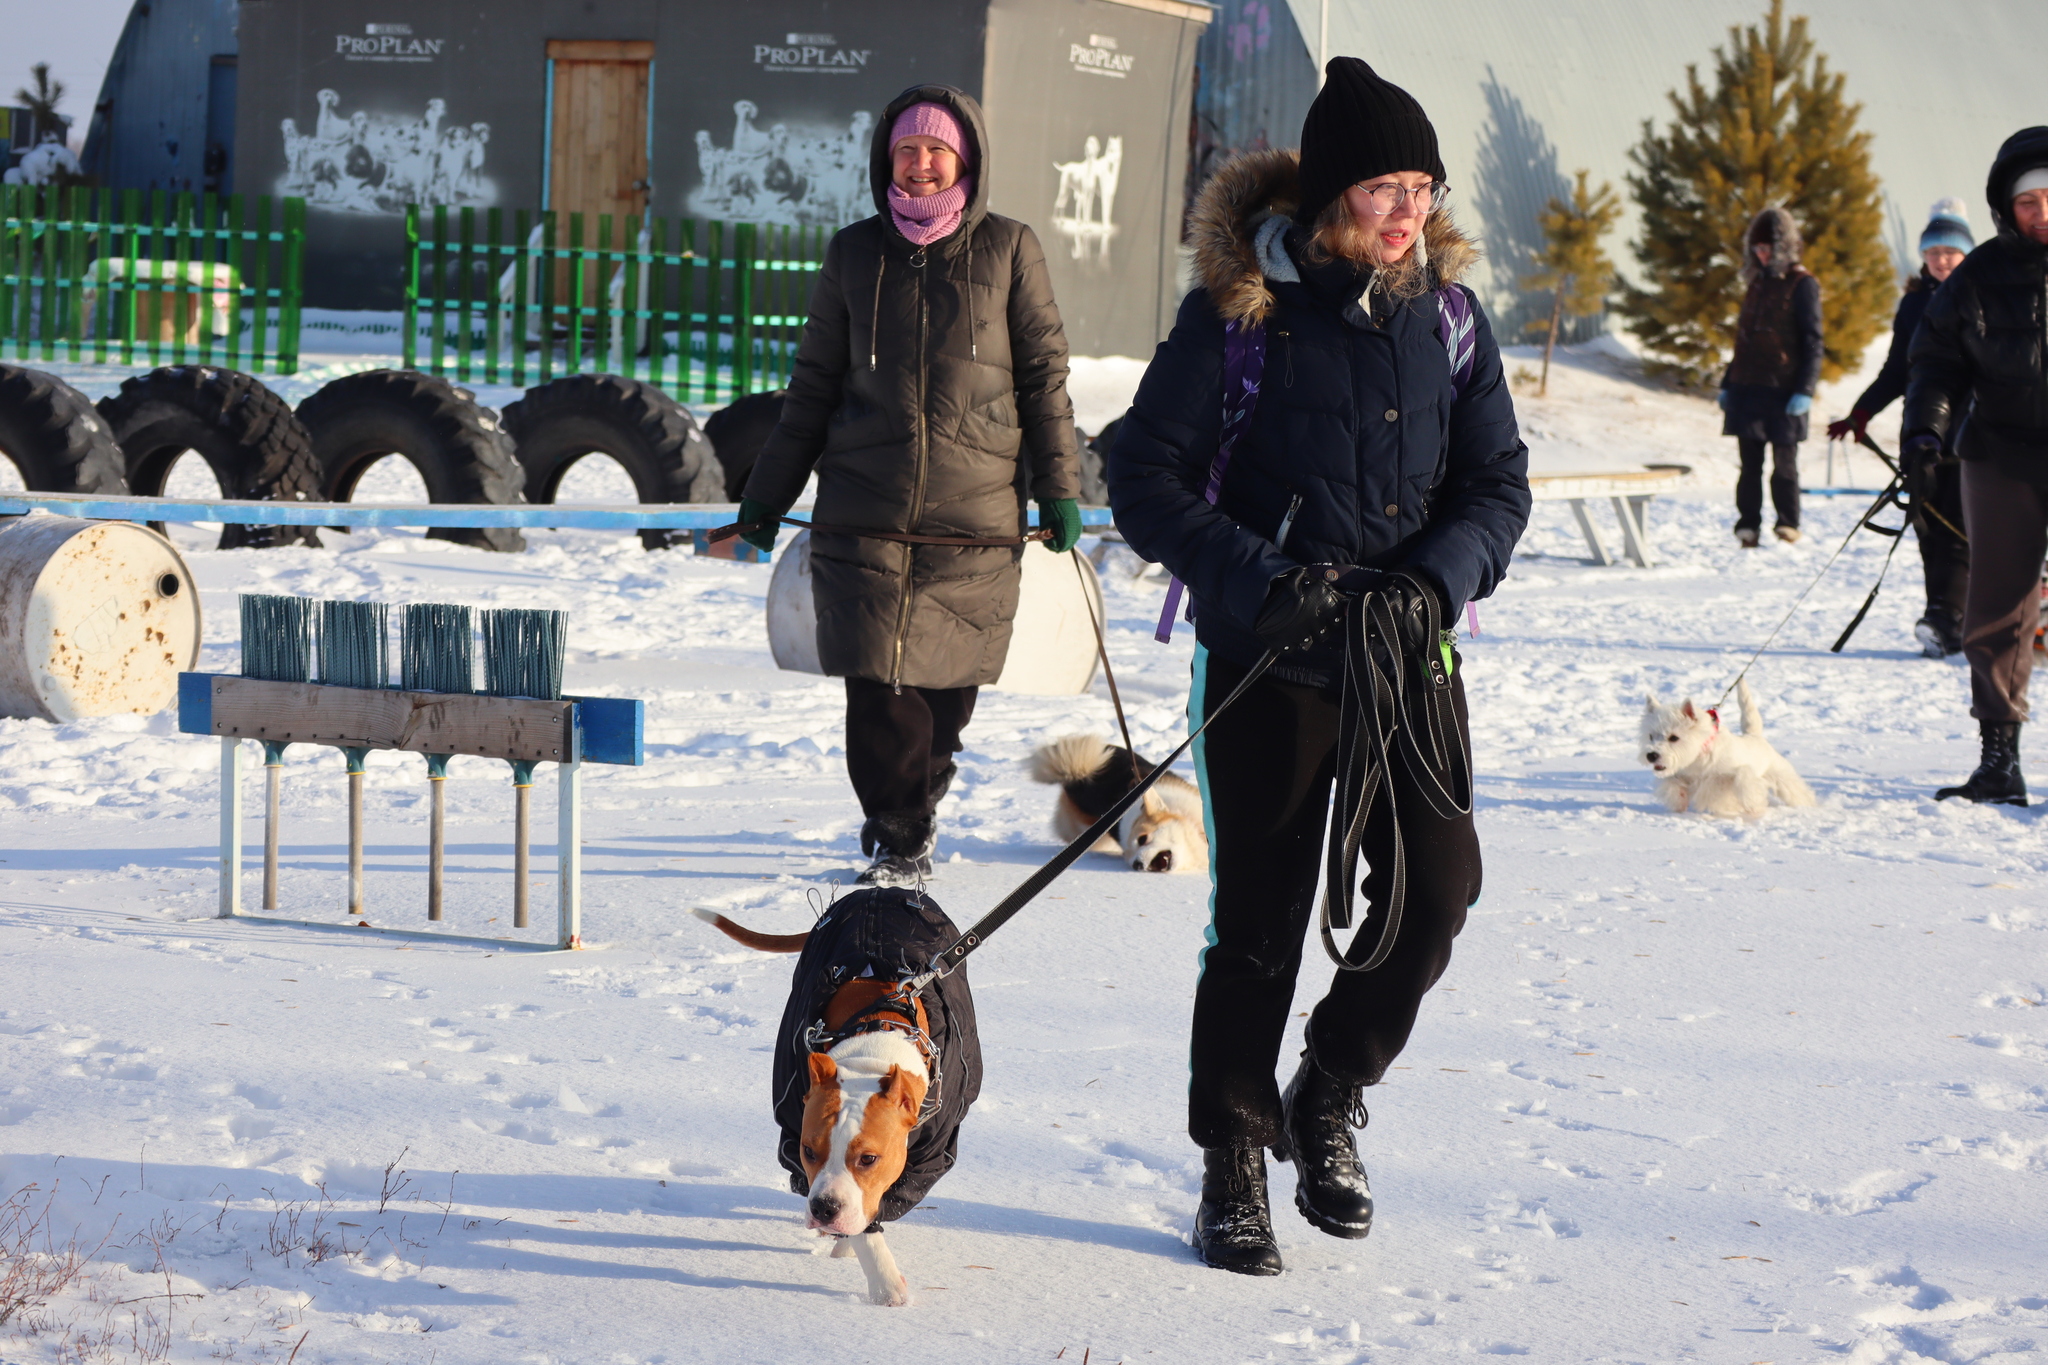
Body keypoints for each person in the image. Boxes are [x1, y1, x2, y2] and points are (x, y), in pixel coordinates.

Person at [1108, 59, 1529, 1276]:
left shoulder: (1445, 314)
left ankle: (1328, 1087)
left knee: (1435, 891)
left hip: (1407, 656)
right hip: (1269, 658)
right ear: (1330, 193)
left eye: (1421, 186)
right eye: (1383, 187)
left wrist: (1431, 579)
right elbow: (1142, 478)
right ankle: (1232, 1155)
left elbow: (1495, 485)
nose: (1407, 211)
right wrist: (1261, 583)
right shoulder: (1236, 313)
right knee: (1257, 925)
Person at [738, 86, 1082, 885]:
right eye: (906, 149)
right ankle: (897, 838)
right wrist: (767, 495)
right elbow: (813, 385)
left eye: (936, 149)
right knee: (881, 687)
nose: (921, 163)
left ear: (966, 159)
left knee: (943, 702)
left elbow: (1044, 380)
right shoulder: (854, 255)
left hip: (975, 520)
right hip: (865, 511)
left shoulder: (1009, 249)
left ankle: (916, 803)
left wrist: (1059, 485)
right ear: (884, 160)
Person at [1905, 127, 2048, 807]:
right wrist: (1928, 433)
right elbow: (1935, 362)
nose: (2042, 211)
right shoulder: (1978, 275)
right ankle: (1999, 760)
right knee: (1996, 608)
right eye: (2029, 201)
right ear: (2005, 206)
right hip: (1999, 453)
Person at [1828, 200, 1975, 657]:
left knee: (1960, 528)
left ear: (1967, 255)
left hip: (1973, 432)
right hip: (1921, 433)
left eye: (1951, 252)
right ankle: (1943, 615)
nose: (1942, 260)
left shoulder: (1982, 295)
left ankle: (1950, 617)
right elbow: (1898, 369)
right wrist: (1861, 411)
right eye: (1934, 252)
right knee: (1927, 527)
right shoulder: (1914, 303)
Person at [1720, 207, 1824, 547]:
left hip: (1784, 391)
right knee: (1749, 465)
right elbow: (1743, 339)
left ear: (1784, 247)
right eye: (1757, 248)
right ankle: (1747, 525)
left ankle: (1788, 524)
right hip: (1747, 389)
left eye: (1768, 248)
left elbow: (1813, 340)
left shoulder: (1802, 284)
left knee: (1784, 465)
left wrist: (1805, 389)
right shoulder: (1756, 283)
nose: (1762, 255)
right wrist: (1727, 383)